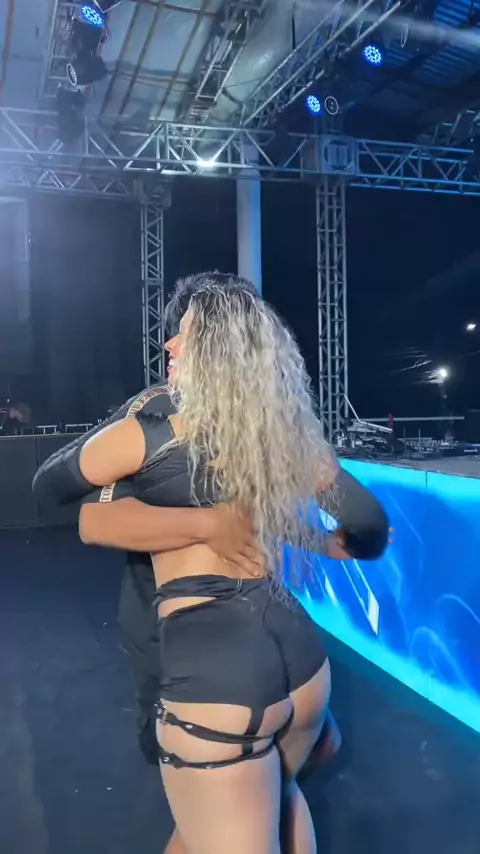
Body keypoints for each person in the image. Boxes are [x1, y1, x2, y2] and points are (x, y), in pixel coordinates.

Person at [34, 276, 389, 854]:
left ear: (216, 349)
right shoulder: (278, 434)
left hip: (217, 671)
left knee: (228, 810)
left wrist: (211, 523)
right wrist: (316, 539)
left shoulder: (152, 429)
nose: (168, 345)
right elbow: (369, 523)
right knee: (270, 802)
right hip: (299, 657)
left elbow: (57, 491)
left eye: (184, 334)